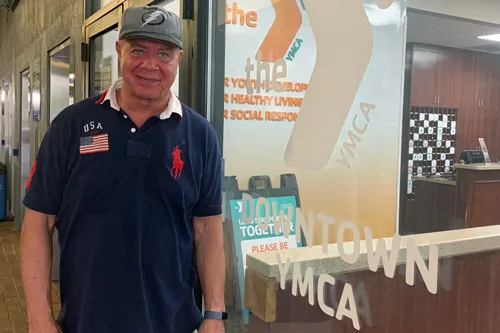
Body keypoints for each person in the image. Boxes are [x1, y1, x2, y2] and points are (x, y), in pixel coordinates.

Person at [19, 5, 226, 333]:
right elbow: (38, 222)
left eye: (164, 53)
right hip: (86, 322)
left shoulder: (200, 135)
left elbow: (207, 229)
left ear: (179, 59)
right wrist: (38, 316)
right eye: (138, 50)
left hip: (174, 324)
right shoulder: (70, 126)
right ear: (119, 49)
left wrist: (215, 313)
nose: (150, 65)